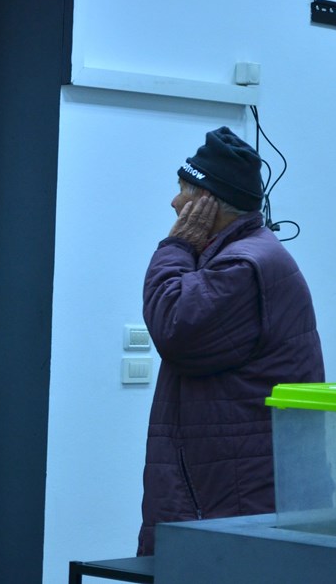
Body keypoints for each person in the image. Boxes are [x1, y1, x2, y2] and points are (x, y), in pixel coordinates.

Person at [136, 126, 324, 556]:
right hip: (225, 487)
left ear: (207, 201)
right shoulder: (241, 256)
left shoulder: (243, 267)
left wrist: (176, 245)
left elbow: (174, 326)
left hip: (231, 497)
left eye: (183, 190)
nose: (174, 202)